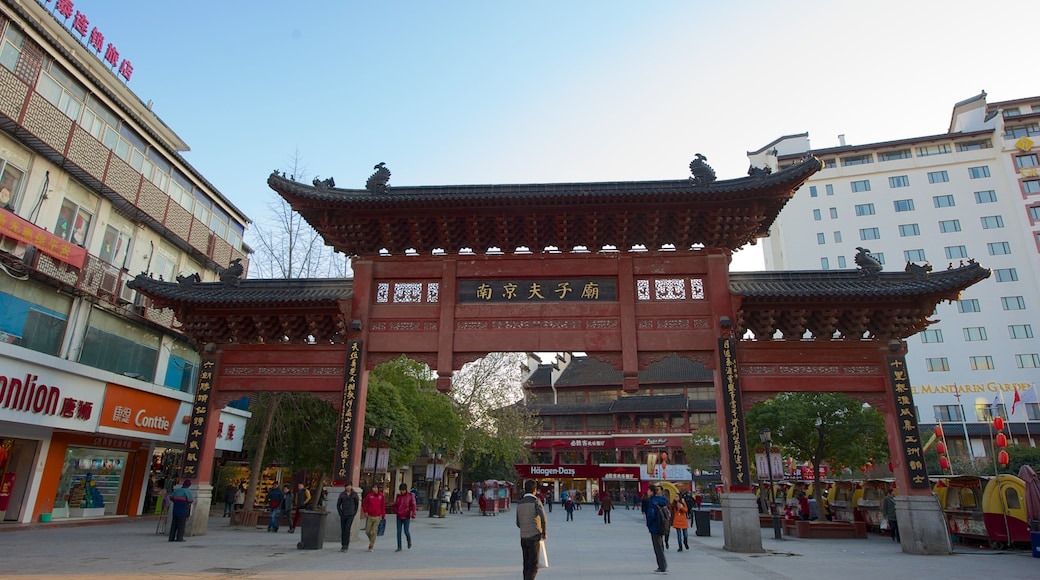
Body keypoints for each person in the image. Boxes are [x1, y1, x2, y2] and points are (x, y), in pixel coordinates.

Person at [516, 479, 547, 580]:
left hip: (523, 537)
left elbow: (518, 523)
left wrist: (525, 528)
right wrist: (543, 532)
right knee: (533, 566)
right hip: (533, 537)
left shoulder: (520, 503)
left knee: (526, 564)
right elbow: (543, 518)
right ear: (534, 490)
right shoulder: (535, 501)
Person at [644, 484, 668, 574]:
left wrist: (648, 523)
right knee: (660, 546)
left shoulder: (652, 502)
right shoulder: (661, 500)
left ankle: (661, 567)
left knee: (657, 547)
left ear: (651, 491)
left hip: (655, 527)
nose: (647, 492)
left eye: (648, 490)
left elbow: (651, 515)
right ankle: (663, 565)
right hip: (662, 525)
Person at [361, 484, 387, 551]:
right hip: (370, 516)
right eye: (373, 487)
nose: (374, 489)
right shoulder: (369, 495)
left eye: (375, 487)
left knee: (374, 532)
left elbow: (383, 506)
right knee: (368, 531)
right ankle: (372, 540)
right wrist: (365, 511)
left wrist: (383, 515)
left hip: (377, 516)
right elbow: (364, 503)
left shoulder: (381, 496)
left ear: (378, 488)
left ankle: (371, 545)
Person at [393, 483, 417, 551]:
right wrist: (396, 511)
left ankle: (409, 540)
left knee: (406, 531)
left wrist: (413, 514)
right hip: (399, 516)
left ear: (406, 490)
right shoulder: (398, 496)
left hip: (406, 516)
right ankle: (399, 546)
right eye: (401, 490)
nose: (402, 492)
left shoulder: (410, 496)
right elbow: (395, 505)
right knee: (398, 532)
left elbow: (413, 505)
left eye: (403, 490)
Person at [336, 483, 359, 552]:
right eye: (347, 487)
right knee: (343, 529)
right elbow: (338, 505)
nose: (348, 488)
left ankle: (346, 545)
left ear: (351, 487)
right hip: (343, 514)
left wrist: (354, 512)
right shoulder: (342, 494)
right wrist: (340, 513)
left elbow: (356, 504)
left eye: (349, 486)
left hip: (351, 514)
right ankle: (343, 544)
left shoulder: (354, 494)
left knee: (347, 529)